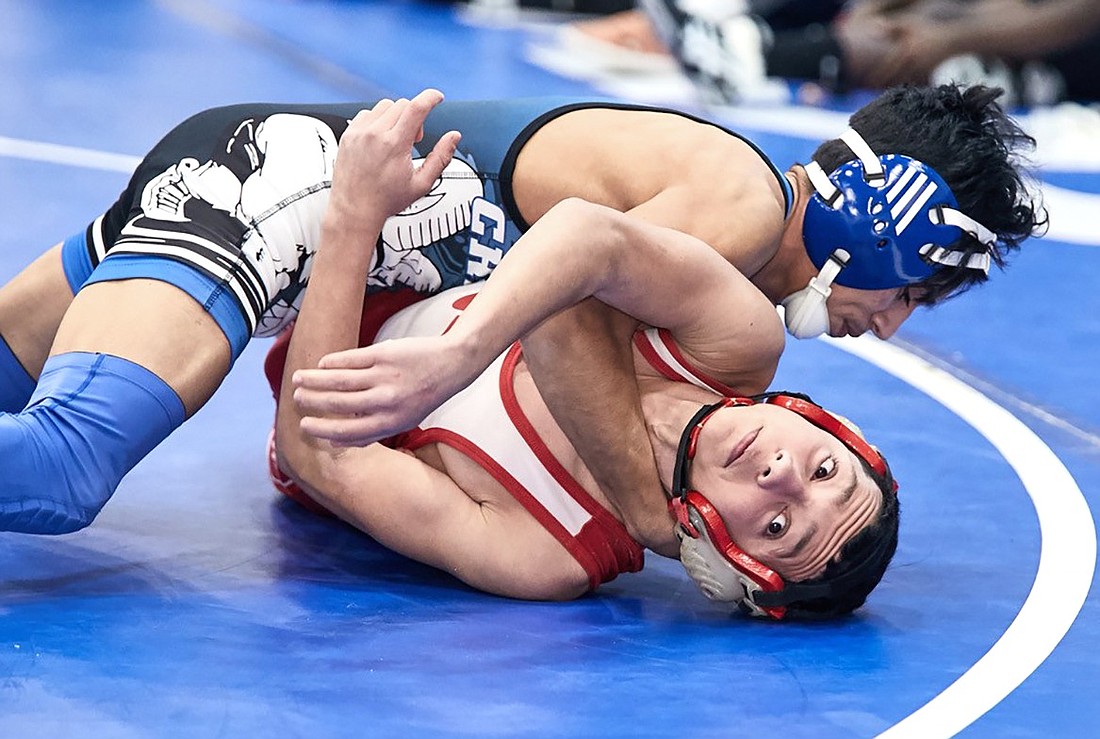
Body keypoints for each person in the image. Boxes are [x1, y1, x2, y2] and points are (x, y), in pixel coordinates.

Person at [0, 83, 1037, 538]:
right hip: (284, 198)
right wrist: (649, 514)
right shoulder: (738, 204)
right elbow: (569, 289)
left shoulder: (722, 240)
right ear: (889, 227)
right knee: (62, 469)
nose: (891, 324)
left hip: (286, 196)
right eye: (911, 290)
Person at [267, 96, 899, 618]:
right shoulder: (738, 338)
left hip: (334, 281)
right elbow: (584, 237)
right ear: (825, 425)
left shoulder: (551, 552)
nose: (781, 475)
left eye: (778, 528)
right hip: (423, 236)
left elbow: (314, 453)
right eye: (822, 472)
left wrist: (352, 214)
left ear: (721, 565)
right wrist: (461, 353)